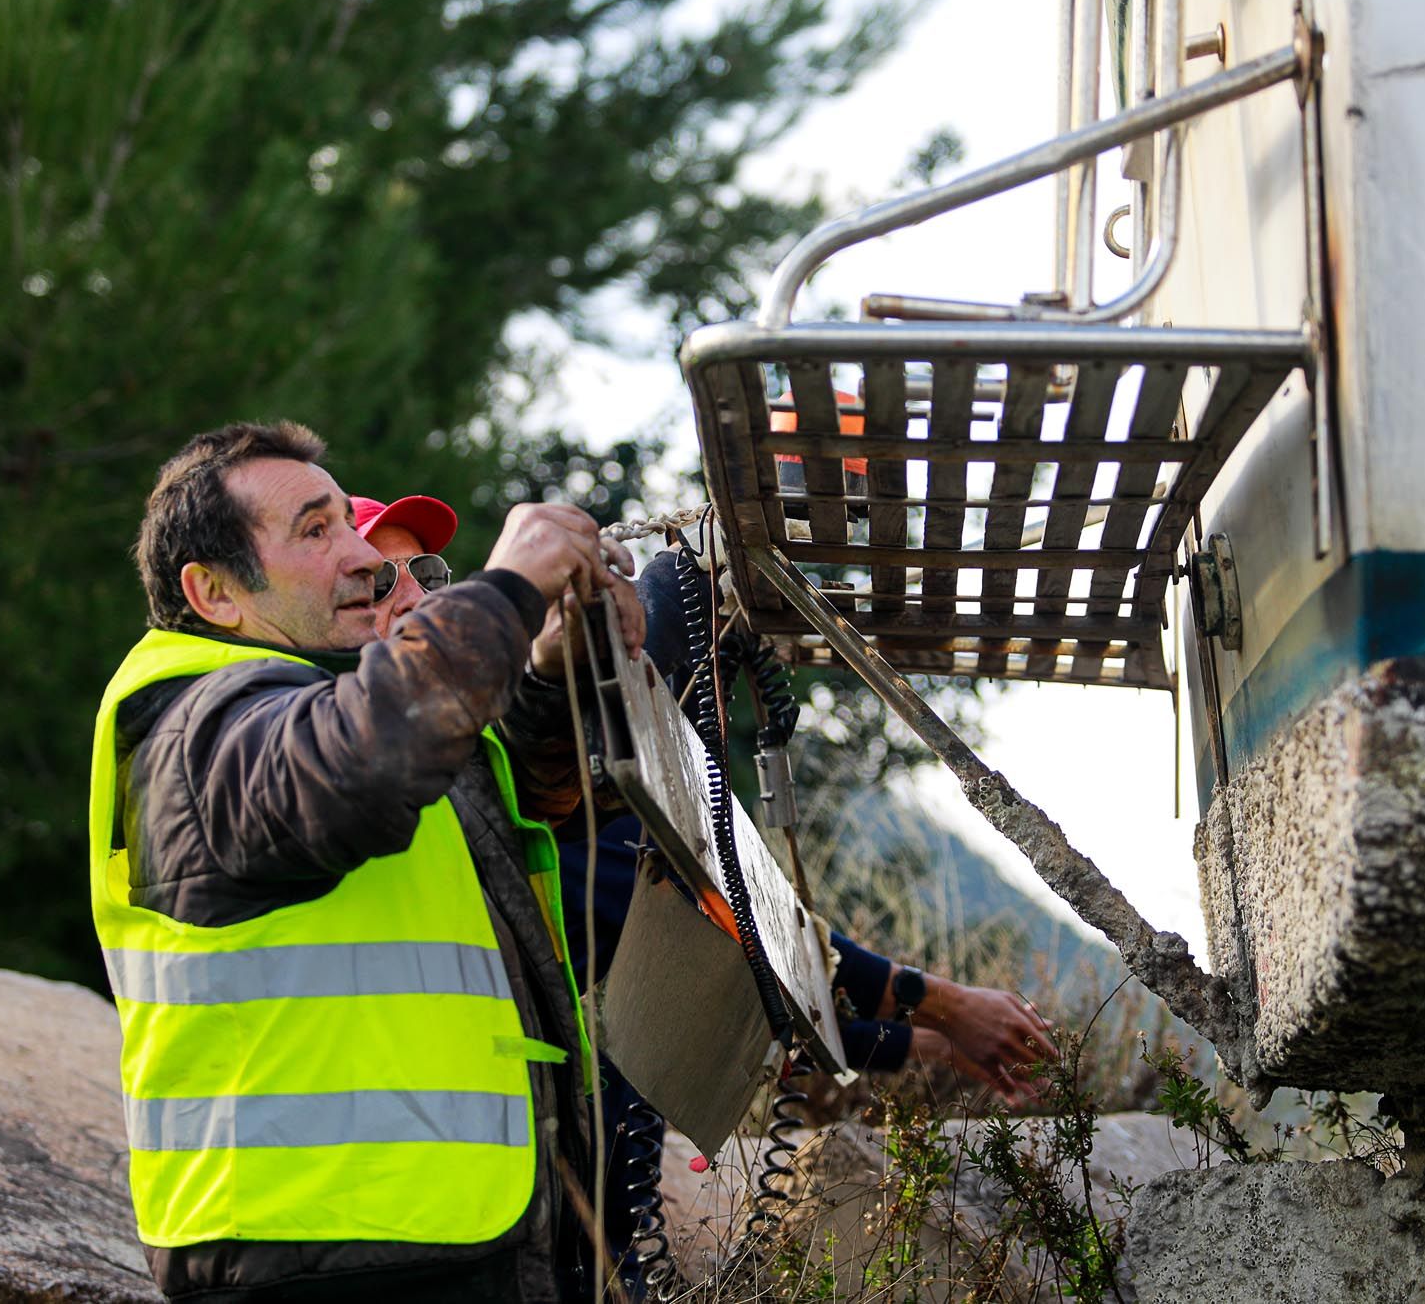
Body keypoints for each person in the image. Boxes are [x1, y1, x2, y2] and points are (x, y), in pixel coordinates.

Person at [355, 503, 1056, 1285]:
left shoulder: (540, 790)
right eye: (379, 581)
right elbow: (750, 942)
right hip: (524, 1239)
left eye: (427, 573)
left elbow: (730, 984)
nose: (415, 597)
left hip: (577, 1233)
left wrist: (928, 1040)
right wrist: (945, 1005)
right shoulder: (481, 800)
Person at [89, 421, 642, 1304]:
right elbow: (358, 762)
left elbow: (533, 800)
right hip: (311, 1250)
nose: (366, 557)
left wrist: (551, 661)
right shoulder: (190, 725)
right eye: (316, 530)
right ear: (216, 591)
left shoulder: (321, 700)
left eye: (350, 522)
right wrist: (506, 591)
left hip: (447, 1232)